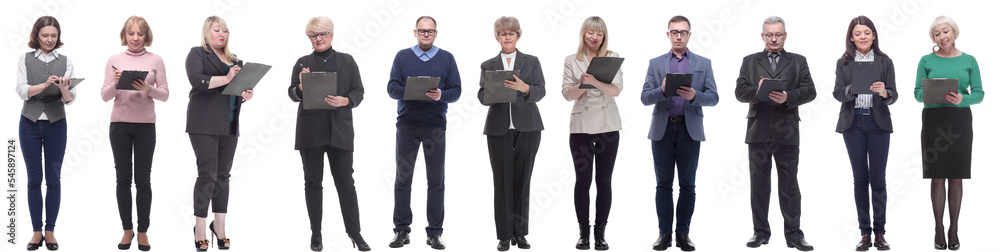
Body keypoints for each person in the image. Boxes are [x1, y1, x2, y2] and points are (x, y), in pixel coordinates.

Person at [734, 16, 816, 251]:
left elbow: (810, 90)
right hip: (758, 130)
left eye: (778, 34)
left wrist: (789, 97)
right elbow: (740, 92)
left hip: (787, 130)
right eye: (769, 35)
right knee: (759, 185)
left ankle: (794, 235)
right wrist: (757, 90)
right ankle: (760, 233)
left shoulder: (798, 61)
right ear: (763, 36)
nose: (773, 39)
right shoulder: (750, 61)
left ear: (785, 36)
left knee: (789, 185)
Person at [288, 16, 370, 252]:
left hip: (340, 130)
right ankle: (316, 235)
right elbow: (292, 94)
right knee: (313, 183)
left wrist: (346, 100)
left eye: (323, 34)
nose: (318, 39)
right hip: (310, 131)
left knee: (346, 184)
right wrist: (301, 87)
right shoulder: (302, 63)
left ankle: (355, 233)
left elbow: (359, 91)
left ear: (332, 35)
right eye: (313, 35)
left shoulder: (347, 61)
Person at [640, 15, 719, 252]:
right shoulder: (656, 63)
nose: (678, 36)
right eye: (674, 32)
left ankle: (683, 234)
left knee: (688, 185)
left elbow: (714, 97)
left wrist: (694, 96)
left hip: (689, 129)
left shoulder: (703, 64)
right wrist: (662, 90)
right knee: (663, 185)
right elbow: (644, 97)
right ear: (668, 34)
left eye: (683, 32)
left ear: (689, 35)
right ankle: (664, 234)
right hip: (662, 130)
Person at [386, 16, 461, 250]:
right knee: (402, 178)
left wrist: (442, 95)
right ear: (415, 32)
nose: (426, 34)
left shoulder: (447, 58)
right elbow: (391, 87)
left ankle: (435, 233)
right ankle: (401, 230)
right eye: (422, 31)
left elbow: (456, 90)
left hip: (435, 125)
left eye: (430, 31)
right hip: (407, 124)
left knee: (436, 180)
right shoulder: (402, 56)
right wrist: (412, 90)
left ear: (436, 33)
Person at [184, 16, 253, 252]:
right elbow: (196, 81)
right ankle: (200, 228)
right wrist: (227, 78)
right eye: (216, 30)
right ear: (207, 32)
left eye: (225, 30)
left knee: (223, 176)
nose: (221, 34)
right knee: (207, 175)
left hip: (230, 123)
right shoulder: (197, 54)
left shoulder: (235, 61)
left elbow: (234, 91)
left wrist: (244, 93)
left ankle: (220, 227)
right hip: (203, 123)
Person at [914, 16, 983, 251]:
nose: (942, 37)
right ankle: (938, 228)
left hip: (959, 120)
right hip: (933, 120)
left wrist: (963, 98)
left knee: (956, 176)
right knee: (937, 176)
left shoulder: (969, 60)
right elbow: (916, 94)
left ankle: (954, 228)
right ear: (933, 38)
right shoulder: (926, 60)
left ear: (954, 32)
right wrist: (932, 92)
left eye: (946, 31)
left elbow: (980, 94)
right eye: (936, 34)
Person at [476, 16, 545, 251]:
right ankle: (505, 235)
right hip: (499, 127)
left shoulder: (531, 61)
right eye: (503, 33)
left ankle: (521, 233)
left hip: (528, 126)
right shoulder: (488, 64)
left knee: (523, 180)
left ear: (518, 35)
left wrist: (525, 88)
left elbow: (540, 90)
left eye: (512, 33)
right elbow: (482, 96)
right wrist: (495, 92)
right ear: (497, 37)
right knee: (502, 182)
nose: (507, 37)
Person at [101, 15, 169, 252]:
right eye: (131, 34)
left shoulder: (156, 60)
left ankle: (142, 231)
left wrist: (149, 89)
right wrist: (117, 83)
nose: (136, 38)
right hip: (119, 126)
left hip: (145, 127)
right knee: (122, 179)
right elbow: (104, 96)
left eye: (140, 34)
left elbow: (165, 94)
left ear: (146, 35)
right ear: (125, 35)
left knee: (143, 180)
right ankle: (127, 229)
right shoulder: (114, 59)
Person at [831, 15, 896, 251]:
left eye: (867, 32)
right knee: (860, 179)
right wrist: (850, 89)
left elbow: (894, 94)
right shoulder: (844, 62)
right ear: (851, 37)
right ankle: (864, 234)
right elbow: (838, 92)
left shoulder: (884, 62)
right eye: (858, 33)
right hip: (853, 123)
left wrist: (885, 93)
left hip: (878, 123)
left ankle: (880, 233)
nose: (862, 37)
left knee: (878, 180)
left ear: (874, 35)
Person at [562, 16, 622, 251]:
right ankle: (583, 233)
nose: (594, 37)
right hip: (581, 128)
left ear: (604, 36)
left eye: (599, 33)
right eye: (590, 32)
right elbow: (567, 94)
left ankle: (601, 233)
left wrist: (594, 81)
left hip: (608, 127)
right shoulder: (571, 60)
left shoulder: (612, 57)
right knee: (583, 182)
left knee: (604, 181)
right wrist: (582, 84)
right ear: (583, 34)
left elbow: (616, 90)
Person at [17, 15, 76, 251]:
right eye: (45, 35)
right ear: (36, 36)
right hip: (29, 123)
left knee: (53, 180)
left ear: (58, 36)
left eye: (53, 35)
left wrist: (64, 89)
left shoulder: (66, 61)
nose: (49, 39)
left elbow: (70, 100)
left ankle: (50, 232)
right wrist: (44, 85)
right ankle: (35, 232)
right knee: (33, 180)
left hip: (56, 124)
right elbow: (22, 91)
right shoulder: (24, 59)